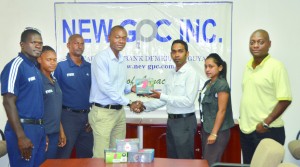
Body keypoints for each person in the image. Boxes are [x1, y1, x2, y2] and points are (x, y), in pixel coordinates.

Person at [134, 39, 200, 159]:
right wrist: (144, 106)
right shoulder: (171, 74)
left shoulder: (191, 73)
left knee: (184, 161)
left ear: (187, 54)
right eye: (174, 52)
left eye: (180, 51)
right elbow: (163, 99)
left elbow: (188, 101)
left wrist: (161, 96)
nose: (177, 55)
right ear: (171, 54)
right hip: (171, 121)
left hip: (184, 122)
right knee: (172, 159)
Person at [239, 29, 292, 163]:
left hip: (268, 131)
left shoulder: (276, 66)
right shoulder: (248, 66)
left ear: (269, 44)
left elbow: (285, 99)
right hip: (246, 131)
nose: (255, 45)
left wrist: (266, 123)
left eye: (260, 42)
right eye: (252, 42)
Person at [89, 25, 139, 158]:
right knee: (101, 156)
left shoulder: (122, 60)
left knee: (118, 154)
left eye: (124, 38)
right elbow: (105, 87)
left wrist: (131, 88)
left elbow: (119, 86)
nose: (121, 41)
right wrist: (129, 103)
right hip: (103, 113)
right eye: (117, 37)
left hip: (119, 112)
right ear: (109, 38)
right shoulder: (101, 58)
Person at [1, 28, 46, 167]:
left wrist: (43, 131)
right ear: (22, 44)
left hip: (38, 129)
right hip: (23, 130)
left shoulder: (35, 68)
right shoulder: (15, 65)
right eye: (33, 42)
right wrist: (20, 136)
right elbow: (8, 102)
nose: (38, 46)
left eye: (40, 43)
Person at [54, 34, 93, 158]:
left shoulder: (89, 67)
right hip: (68, 117)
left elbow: (94, 91)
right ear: (68, 45)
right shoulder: (60, 67)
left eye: (82, 43)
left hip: (87, 117)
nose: (79, 46)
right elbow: (55, 95)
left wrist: (91, 116)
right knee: (64, 153)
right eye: (76, 43)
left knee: (86, 154)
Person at [199, 53, 234, 166]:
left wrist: (214, 133)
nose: (207, 69)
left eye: (211, 66)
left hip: (218, 131)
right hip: (207, 128)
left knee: (210, 163)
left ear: (220, 67)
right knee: (206, 161)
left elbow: (222, 110)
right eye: (205, 66)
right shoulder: (208, 83)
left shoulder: (222, 84)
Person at [37, 45, 66, 159]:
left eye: (54, 60)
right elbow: (37, 110)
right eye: (48, 60)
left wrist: (61, 131)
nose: (53, 63)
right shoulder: (38, 80)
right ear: (39, 59)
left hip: (54, 132)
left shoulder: (54, 80)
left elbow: (55, 109)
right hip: (43, 134)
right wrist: (43, 135)